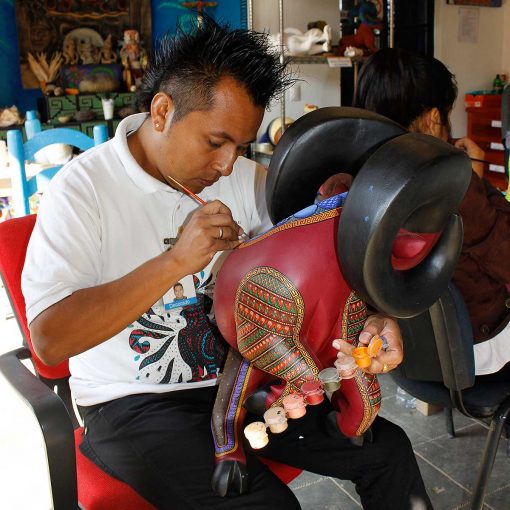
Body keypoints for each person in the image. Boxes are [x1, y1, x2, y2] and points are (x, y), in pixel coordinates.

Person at [22, 19, 431, 510]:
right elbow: (49, 340)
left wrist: (374, 321)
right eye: (215, 142)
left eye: (240, 146)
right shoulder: (82, 189)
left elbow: (321, 273)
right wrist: (175, 262)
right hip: (131, 403)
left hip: (243, 383)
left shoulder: (250, 182)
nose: (226, 165)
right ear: (161, 111)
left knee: (388, 452)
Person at [321, 47, 510, 381]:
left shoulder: (353, 177)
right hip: (473, 347)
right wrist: (476, 177)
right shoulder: (452, 183)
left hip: (402, 351)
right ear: (433, 118)